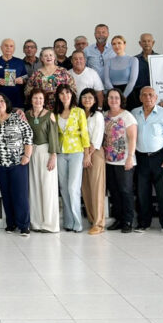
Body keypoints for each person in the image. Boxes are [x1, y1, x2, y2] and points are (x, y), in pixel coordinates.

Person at [132, 87, 163, 235]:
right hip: (140, 157)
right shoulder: (134, 113)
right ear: (140, 98)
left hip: (161, 157)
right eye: (144, 95)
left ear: (156, 97)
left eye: (151, 95)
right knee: (142, 192)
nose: (148, 97)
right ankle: (143, 223)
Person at [0, 92, 34, 237]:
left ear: (6, 102)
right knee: (6, 194)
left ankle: (24, 225)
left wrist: (27, 155)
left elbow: (28, 136)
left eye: (2, 100)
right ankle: (11, 223)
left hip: (18, 162)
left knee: (20, 194)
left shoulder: (17, 117)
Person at [54, 84, 90, 232]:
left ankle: (77, 222)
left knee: (73, 187)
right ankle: (68, 222)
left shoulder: (79, 112)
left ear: (72, 94)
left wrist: (87, 154)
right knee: (63, 188)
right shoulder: (55, 113)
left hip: (76, 152)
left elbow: (85, 134)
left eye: (67, 93)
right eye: (61, 93)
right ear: (58, 96)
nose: (65, 96)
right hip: (61, 153)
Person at [103, 89, 137, 233]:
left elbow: (133, 138)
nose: (114, 100)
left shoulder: (127, 116)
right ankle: (118, 219)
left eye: (116, 98)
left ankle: (128, 220)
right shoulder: (104, 115)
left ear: (121, 99)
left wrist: (130, 156)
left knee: (126, 191)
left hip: (124, 160)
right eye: (111, 97)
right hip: (109, 160)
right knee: (114, 192)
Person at [26, 88, 59, 233]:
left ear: (44, 100)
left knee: (48, 187)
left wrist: (53, 155)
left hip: (46, 151)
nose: (38, 101)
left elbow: (54, 136)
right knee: (34, 187)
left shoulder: (50, 115)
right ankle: (37, 222)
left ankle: (50, 224)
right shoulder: (27, 115)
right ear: (31, 100)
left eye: (40, 98)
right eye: (35, 98)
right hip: (32, 152)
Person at [80, 88, 105, 235]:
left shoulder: (98, 115)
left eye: (90, 97)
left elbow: (96, 138)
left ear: (95, 100)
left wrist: (88, 155)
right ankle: (91, 219)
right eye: (84, 97)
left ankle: (99, 223)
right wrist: (84, 155)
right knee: (86, 188)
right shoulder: (79, 113)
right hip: (82, 153)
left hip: (94, 153)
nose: (87, 100)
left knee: (96, 188)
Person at [0, 38, 28, 109]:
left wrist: (22, 80)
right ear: (1, 48)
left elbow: (26, 79)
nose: (8, 48)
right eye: (6, 46)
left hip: (17, 102)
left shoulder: (20, 62)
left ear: (14, 48)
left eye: (11, 46)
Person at [102, 35, 138, 99]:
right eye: (114, 44)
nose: (116, 46)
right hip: (112, 95)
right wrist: (115, 96)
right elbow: (107, 80)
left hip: (128, 94)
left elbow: (132, 81)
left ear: (124, 44)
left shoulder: (133, 60)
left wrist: (123, 97)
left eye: (119, 43)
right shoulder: (108, 61)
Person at [129, 33, 157, 109]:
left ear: (153, 42)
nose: (146, 43)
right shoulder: (134, 60)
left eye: (149, 41)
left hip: (156, 96)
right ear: (140, 43)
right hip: (138, 97)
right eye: (144, 41)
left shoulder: (159, 59)